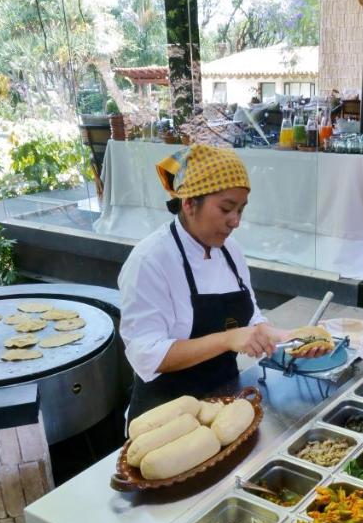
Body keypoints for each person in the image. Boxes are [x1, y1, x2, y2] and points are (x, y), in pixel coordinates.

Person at [117, 145, 326, 420]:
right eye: (227, 208)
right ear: (189, 203)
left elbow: (251, 319)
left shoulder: (231, 252)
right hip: (164, 416)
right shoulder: (151, 260)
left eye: (241, 209)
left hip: (223, 402)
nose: (236, 221)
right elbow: (147, 355)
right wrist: (227, 339)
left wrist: (290, 339)